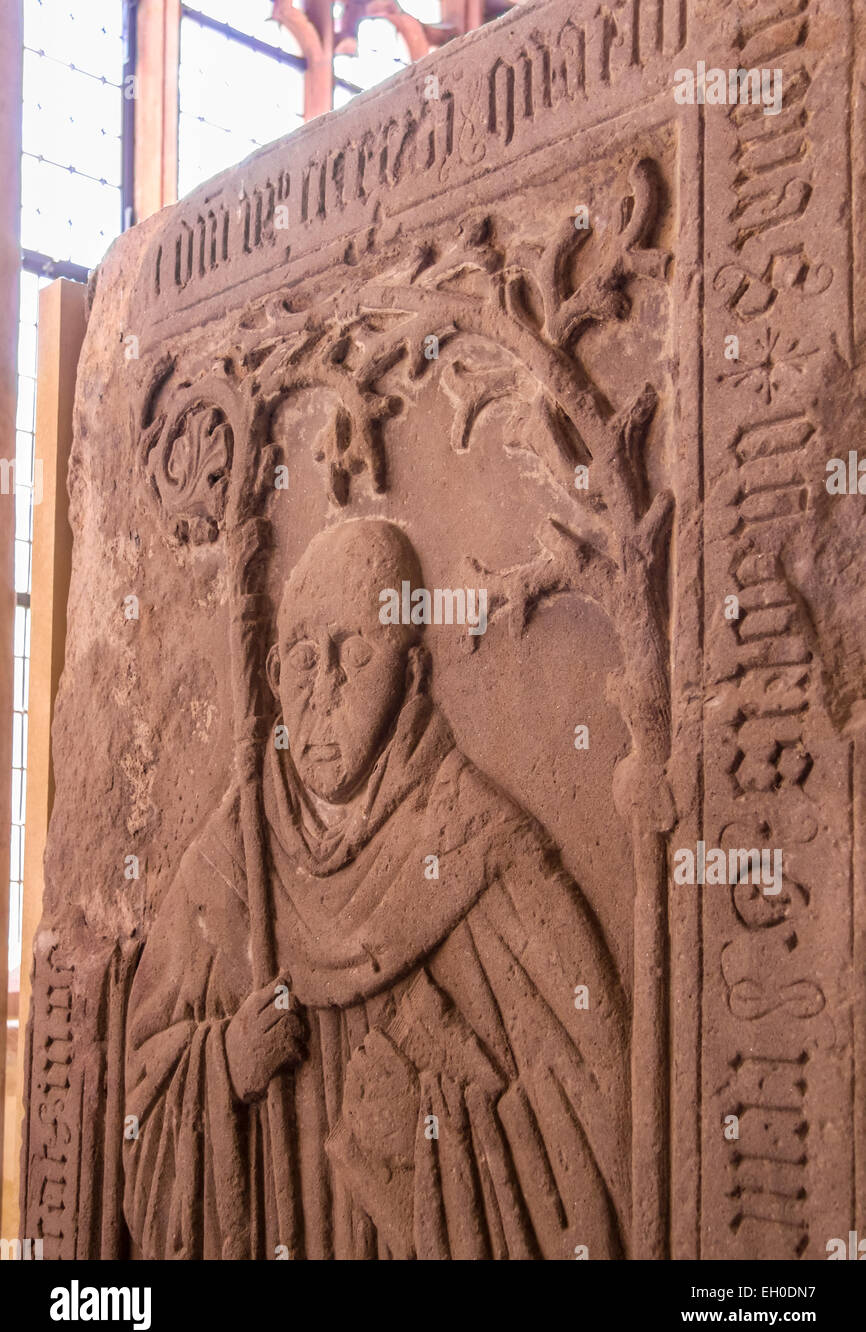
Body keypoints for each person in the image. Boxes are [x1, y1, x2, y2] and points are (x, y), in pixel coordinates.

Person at [123, 518, 629, 1259]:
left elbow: (594, 1120)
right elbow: (137, 1097)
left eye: (354, 653)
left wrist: (432, 1126)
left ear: (413, 674)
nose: (322, 690)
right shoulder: (230, 863)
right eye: (301, 658)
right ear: (269, 678)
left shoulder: (481, 848)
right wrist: (225, 1063)